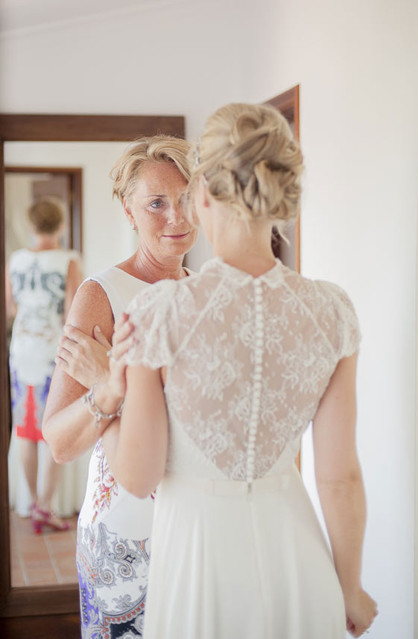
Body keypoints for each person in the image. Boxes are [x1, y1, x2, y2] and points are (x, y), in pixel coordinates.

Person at [90, 103, 379, 638]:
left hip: (198, 561)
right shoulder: (332, 311)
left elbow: (137, 477)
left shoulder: (158, 314)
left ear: (201, 194)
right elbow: (340, 478)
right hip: (298, 558)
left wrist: (106, 397)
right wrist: (351, 589)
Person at [42, 135, 197, 639]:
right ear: (129, 211)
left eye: (187, 198)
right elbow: (59, 442)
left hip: (195, 524)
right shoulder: (101, 295)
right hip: (124, 534)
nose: (177, 217)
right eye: (157, 203)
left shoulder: (207, 294)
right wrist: (107, 389)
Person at [5, 198, 82, 533]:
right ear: (60, 224)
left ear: (31, 225)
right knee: (53, 425)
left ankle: (34, 500)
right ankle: (46, 507)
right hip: (53, 351)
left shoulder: (16, 260)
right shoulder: (69, 260)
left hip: (22, 349)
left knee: (25, 428)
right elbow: (73, 312)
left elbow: (9, 308)